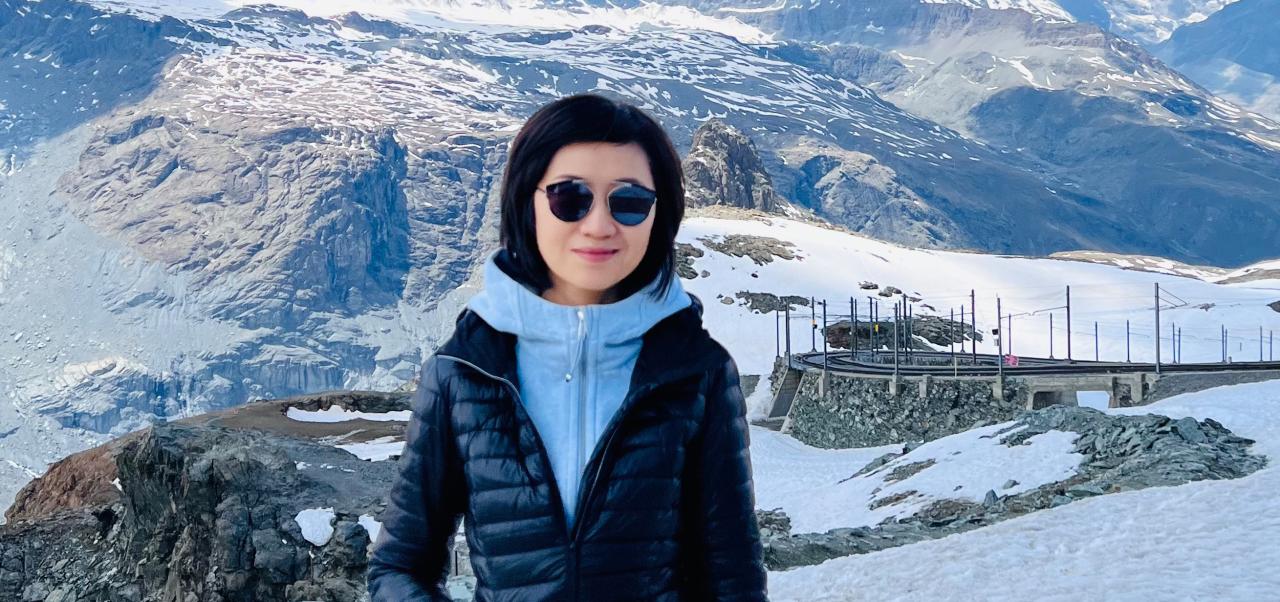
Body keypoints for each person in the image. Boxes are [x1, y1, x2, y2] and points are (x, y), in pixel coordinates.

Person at [365, 92, 769, 600]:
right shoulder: (462, 371)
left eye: (629, 202)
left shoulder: (698, 371)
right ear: (528, 201)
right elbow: (398, 566)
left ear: (658, 214)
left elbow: (733, 579)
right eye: (569, 197)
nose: (598, 225)